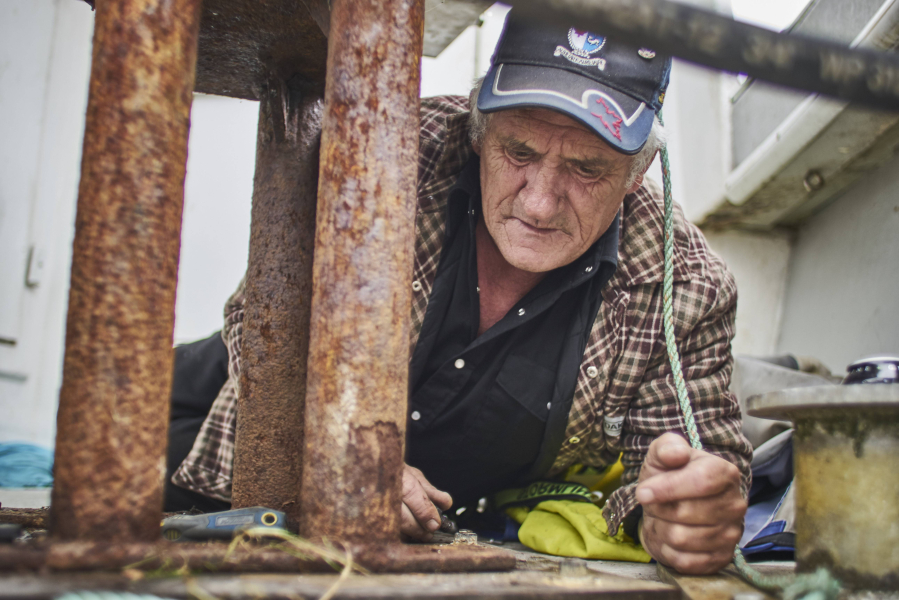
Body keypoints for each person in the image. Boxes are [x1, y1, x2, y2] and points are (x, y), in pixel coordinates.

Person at [171, 12, 752, 575]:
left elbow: (694, 465)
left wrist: (682, 518)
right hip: (216, 415)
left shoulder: (689, 286)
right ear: (478, 132)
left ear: (638, 170)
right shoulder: (384, 154)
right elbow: (267, 318)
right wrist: (337, 450)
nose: (538, 203)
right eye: (518, 153)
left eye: (587, 169)